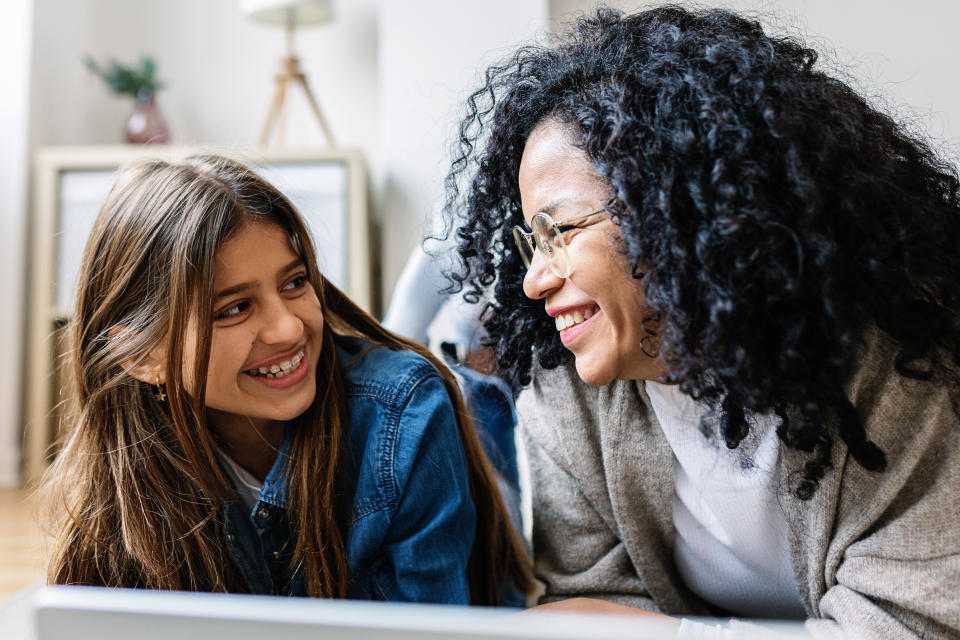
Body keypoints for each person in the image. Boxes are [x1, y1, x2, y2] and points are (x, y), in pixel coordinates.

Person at [444, 6, 960, 638]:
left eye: (560, 231)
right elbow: (589, 607)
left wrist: (676, 635)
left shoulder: (893, 368)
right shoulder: (569, 396)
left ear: (672, 212)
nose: (533, 279)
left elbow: (913, 626)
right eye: (532, 241)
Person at [41, 154, 532, 606]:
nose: (289, 328)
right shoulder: (126, 471)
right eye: (234, 308)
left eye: (295, 282)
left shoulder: (405, 413)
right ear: (144, 357)